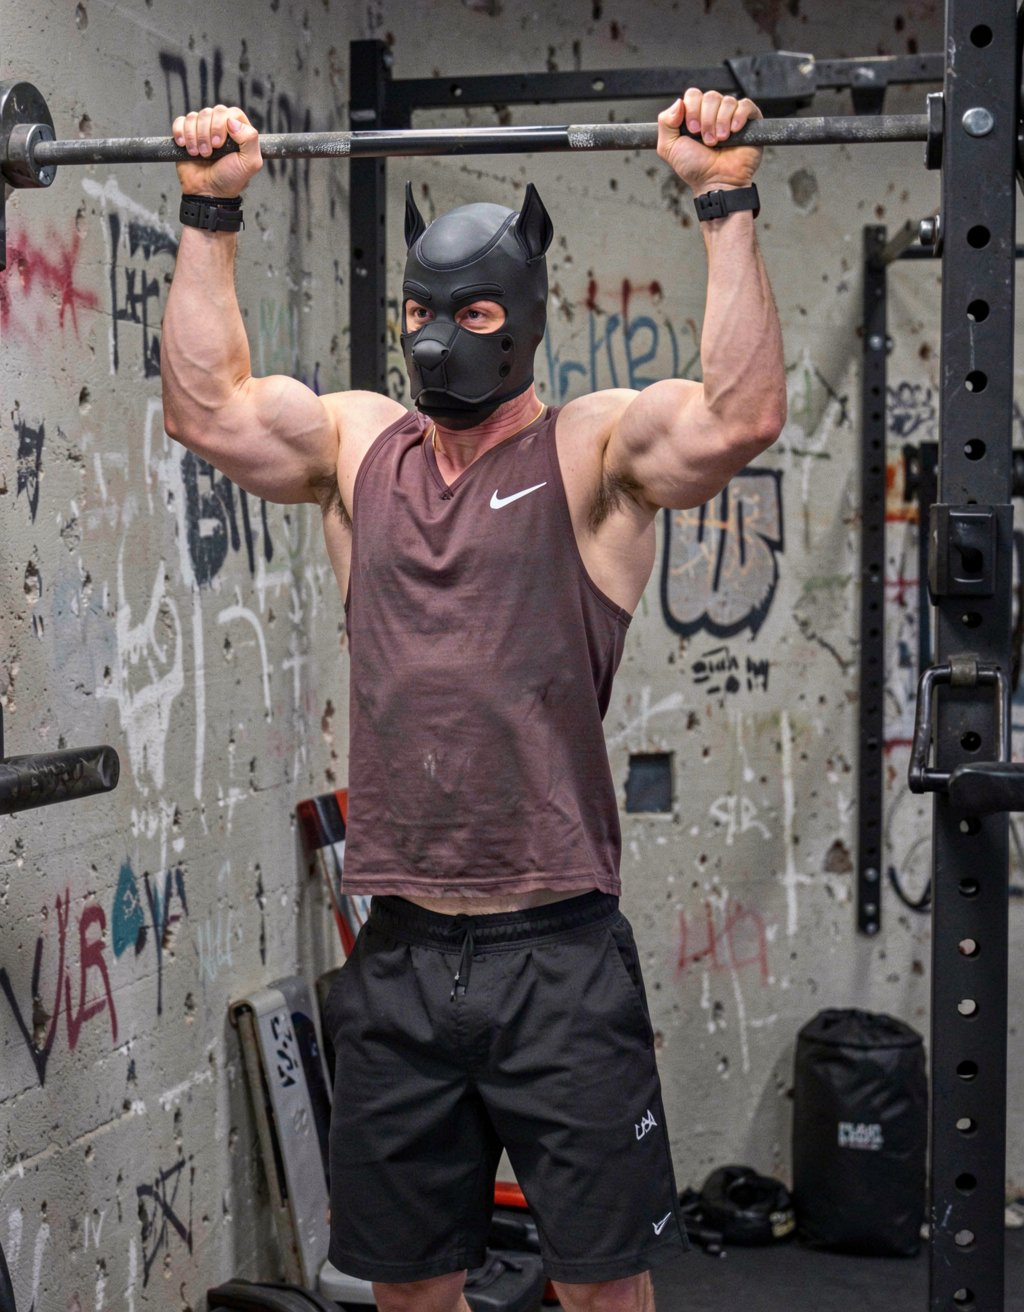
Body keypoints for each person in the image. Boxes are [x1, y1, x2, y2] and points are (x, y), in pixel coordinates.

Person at [162, 87, 785, 1312]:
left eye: (475, 311)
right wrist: (207, 208)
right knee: (408, 1288)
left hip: (552, 948)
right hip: (395, 950)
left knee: (600, 1286)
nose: (440, 335)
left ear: (524, 319)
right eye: (420, 312)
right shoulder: (358, 445)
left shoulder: (591, 451)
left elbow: (738, 414)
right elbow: (208, 408)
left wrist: (723, 200)